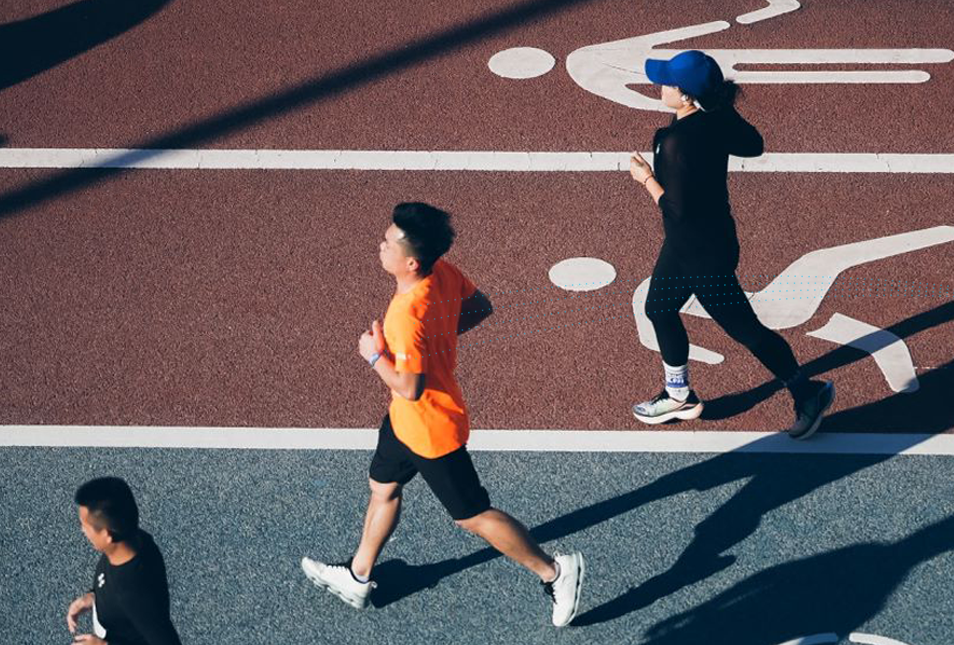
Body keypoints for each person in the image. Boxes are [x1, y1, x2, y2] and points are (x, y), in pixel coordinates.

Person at [299, 202, 585, 627]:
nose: (380, 245)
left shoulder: (405, 316)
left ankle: (555, 572)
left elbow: (410, 387)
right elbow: (480, 307)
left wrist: (374, 355)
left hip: (431, 430)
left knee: (473, 516)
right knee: (383, 485)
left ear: (411, 262)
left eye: (388, 242)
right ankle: (358, 576)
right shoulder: (444, 272)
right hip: (403, 421)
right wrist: (437, 341)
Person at [625, 50, 836, 438]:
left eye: (667, 82)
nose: (660, 86)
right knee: (659, 308)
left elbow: (676, 209)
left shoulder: (674, 142)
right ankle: (679, 394)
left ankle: (809, 394)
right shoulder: (713, 121)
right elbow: (754, 144)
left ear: (686, 95)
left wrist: (646, 179)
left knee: (747, 330)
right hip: (700, 242)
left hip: (700, 254)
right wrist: (719, 107)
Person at [64, 477, 182, 645]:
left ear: (107, 535)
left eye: (85, 525)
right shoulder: (135, 539)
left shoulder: (133, 591)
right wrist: (93, 597)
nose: (82, 530)